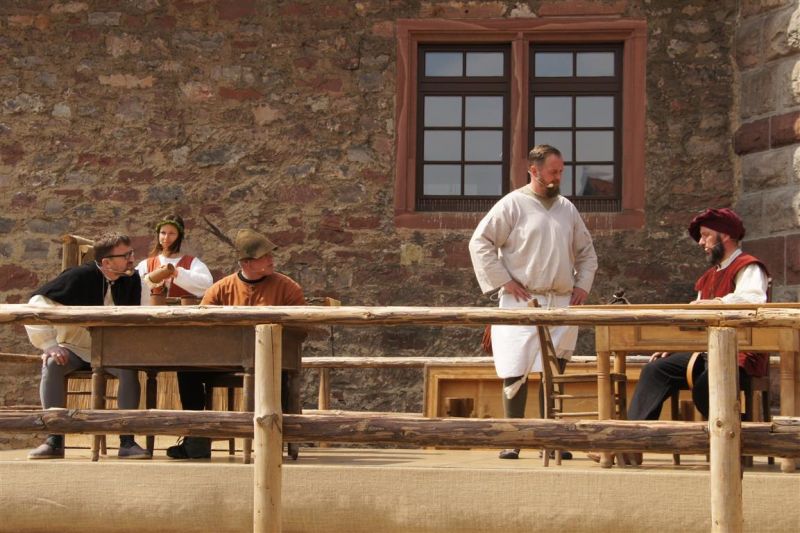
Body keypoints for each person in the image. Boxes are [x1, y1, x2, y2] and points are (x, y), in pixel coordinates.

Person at [469, 144, 598, 460]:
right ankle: (513, 439)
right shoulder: (512, 204)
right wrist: (504, 280)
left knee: (554, 371)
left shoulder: (567, 209)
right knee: (516, 369)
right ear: (533, 170)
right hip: (522, 301)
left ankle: (551, 439)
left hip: (561, 301)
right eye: (553, 171)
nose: (558, 177)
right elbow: (480, 242)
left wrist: (581, 286)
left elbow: (587, 253)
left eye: (561, 171)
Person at [619, 208, 770, 465]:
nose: (701, 242)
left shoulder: (749, 267)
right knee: (655, 370)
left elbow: (753, 300)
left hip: (740, 355)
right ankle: (630, 444)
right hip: (704, 352)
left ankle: (736, 440)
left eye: (706, 235)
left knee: (707, 383)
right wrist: (675, 345)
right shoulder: (707, 277)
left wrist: (717, 303)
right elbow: (695, 322)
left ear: (725, 235)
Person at [166, 228, 306, 459]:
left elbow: (300, 330)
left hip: (270, 359)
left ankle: (271, 440)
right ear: (247, 263)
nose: (271, 260)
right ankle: (197, 436)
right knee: (188, 371)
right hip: (226, 360)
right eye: (264, 256)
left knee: (277, 374)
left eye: (270, 255)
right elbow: (202, 328)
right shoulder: (220, 289)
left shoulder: (287, 288)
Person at [25, 232, 151, 459]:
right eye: (125, 255)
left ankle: (127, 442)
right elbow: (36, 303)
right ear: (106, 262)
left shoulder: (134, 281)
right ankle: (54, 439)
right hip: (74, 348)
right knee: (52, 364)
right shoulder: (78, 277)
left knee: (128, 370)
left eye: (131, 253)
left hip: (111, 352)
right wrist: (49, 345)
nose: (132, 259)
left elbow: (146, 313)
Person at [135, 214, 213, 305]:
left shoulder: (193, 263)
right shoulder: (146, 264)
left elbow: (207, 285)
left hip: (182, 313)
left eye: (172, 233)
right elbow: (133, 288)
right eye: (163, 233)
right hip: (153, 314)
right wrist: (151, 278)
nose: (166, 237)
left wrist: (177, 273)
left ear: (179, 236)